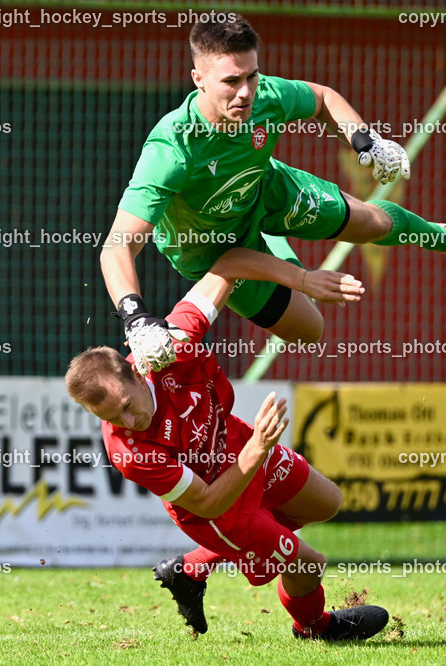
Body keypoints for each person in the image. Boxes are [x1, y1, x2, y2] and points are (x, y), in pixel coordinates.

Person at [102, 14, 446, 373]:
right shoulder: (171, 150)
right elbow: (116, 248)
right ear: (198, 79)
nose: (245, 92)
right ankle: (274, 246)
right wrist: (136, 319)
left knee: (373, 223)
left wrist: (365, 141)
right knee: (309, 329)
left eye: (252, 76)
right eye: (231, 81)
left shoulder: (265, 98)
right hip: (210, 249)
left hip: (267, 189)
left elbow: (321, 98)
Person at [65, 260, 389, 641]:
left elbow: (231, 264)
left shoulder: (169, 344)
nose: (128, 421)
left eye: (126, 406)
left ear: (137, 373)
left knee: (326, 503)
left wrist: (303, 281)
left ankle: (191, 569)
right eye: (113, 419)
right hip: (218, 511)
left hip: (237, 445)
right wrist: (258, 448)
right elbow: (208, 503)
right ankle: (315, 627)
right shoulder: (129, 452)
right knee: (309, 565)